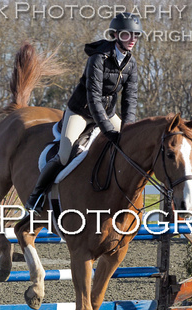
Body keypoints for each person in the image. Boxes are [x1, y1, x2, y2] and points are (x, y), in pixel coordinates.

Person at [25, 12, 142, 214]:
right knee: (64, 155)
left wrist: (128, 128)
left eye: (136, 35)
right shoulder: (98, 59)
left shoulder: (131, 64)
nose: (132, 40)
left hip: (107, 112)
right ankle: (35, 197)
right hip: (81, 112)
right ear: (115, 35)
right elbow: (94, 98)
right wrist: (107, 129)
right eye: (127, 35)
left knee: (130, 146)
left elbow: (130, 100)